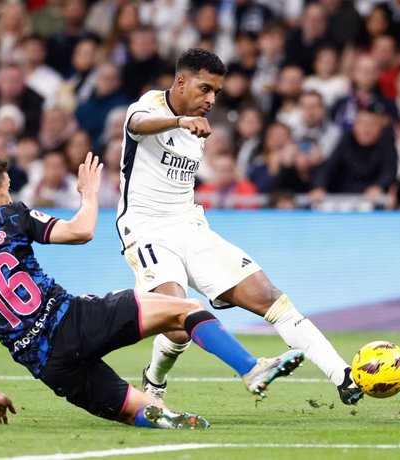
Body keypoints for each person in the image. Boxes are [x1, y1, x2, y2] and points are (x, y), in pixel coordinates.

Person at [0, 152, 304, 429]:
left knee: (135, 409)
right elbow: (80, 231)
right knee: (185, 309)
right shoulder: (9, 216)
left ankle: (159, 417)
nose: (8, 194)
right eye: (6, 189)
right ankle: (250, 368)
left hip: (44, 364)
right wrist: (90, 193)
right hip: (71, 321)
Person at [116, 48, 362, 405]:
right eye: (204, 89)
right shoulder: (149, 107)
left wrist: (188, 124)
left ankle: (343, 376)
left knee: (270, 297)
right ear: (181, 81)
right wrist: (179, 122)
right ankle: (155, 380)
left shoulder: (201, 128)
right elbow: (137, 126)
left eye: (216, 92)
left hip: (190, 225)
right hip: (146, 230)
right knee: (177, 319)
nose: (211, 99)